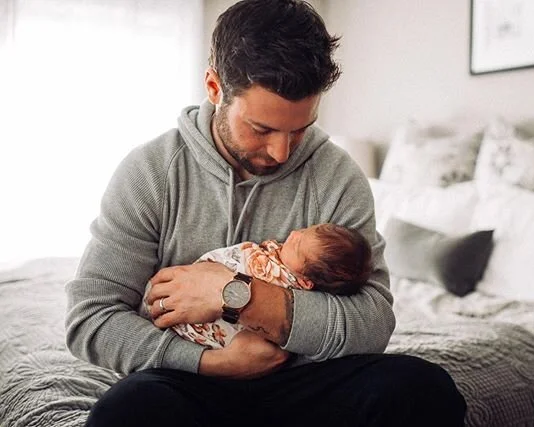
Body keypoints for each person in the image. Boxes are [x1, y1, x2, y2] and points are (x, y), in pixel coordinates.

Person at [65, 0, 467, 426]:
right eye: (262, 129)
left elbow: (372, 323)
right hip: (187, 378)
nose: (281, 152)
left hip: (304, 379)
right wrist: (210, 362)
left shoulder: (337, 176)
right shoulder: (151, 172)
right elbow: (92, 318)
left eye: (300, 129)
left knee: (422, 389)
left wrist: (236, 295)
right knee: (127, 412)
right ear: (215, 88)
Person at [139, 223, 373, 348]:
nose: (292, 235)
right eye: (302, 231)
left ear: (305, 282)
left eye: (297, 246)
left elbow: (372, 325)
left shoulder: (284, 279)